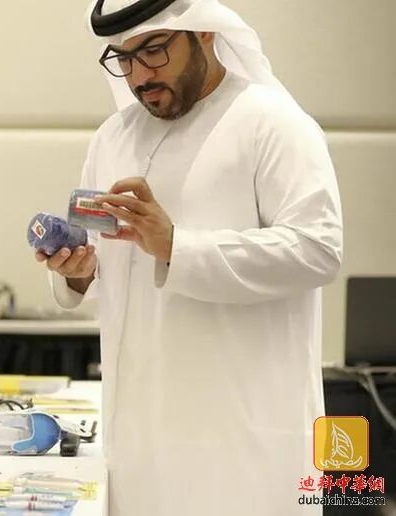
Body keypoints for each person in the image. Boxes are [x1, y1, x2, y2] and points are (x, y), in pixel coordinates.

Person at [35, 0, 343, 514]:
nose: (139, 76)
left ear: (203, 32)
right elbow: (111, 267)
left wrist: (177, 246)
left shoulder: (274, 124)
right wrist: (78, 273)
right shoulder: (114, 138)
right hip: (137, 451)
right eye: (123, 58)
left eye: (153, 51)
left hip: (244, 453)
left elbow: (318, 250)